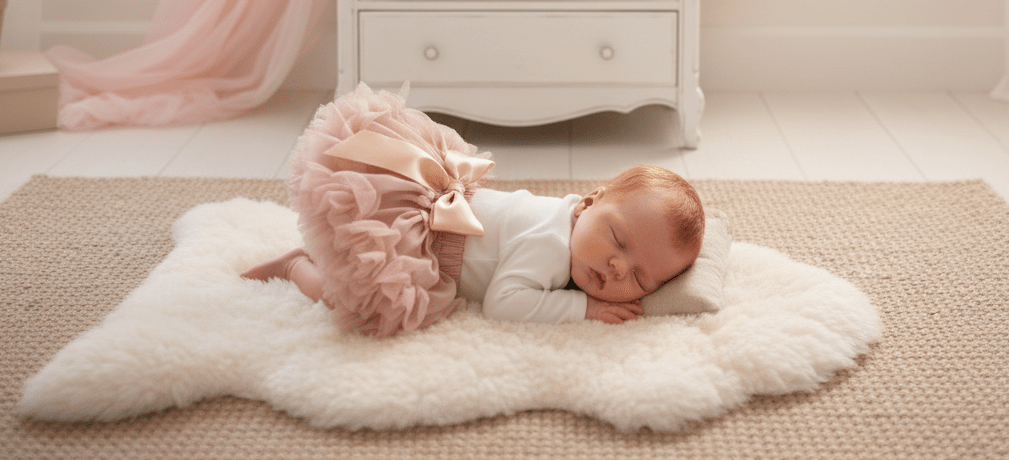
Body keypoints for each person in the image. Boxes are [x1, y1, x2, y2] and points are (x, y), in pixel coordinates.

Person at [241, 83, 704, 337]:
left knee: (356, 253)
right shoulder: (551, 243)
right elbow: (505, 303)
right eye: (618, 240)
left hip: (432, 212)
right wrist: (580, 309)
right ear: (587, 203)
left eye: (641, 279)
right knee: (352, 302)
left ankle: (314, 256)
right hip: (424, 242)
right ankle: (298, 265)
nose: (617, 267)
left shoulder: (571, 222)